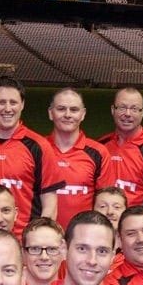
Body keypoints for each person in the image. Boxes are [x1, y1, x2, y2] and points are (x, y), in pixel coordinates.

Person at [0, 76, 57, 237]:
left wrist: (35, 241)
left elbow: (50, 205)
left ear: (22, 105)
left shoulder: (39, 146)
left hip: (22, 243)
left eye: (13, 102)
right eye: (1, 102)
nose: (7, 108)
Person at [97, 88, 143, 229]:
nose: (127, 114)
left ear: (142, 113)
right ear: (113, 110)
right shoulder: (101, 146)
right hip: (101, 228)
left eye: (134, 109)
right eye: (122, 107)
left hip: (134, 230)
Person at [44, 88, 109, 227]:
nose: (67, 115)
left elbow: (105, 202)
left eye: (74, 110)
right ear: (51, 113)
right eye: (61, 109)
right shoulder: (38, 149)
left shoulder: (98, 153)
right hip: (45, 239)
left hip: (84, 238)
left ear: (83, 114)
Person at [20, 216, 65, 285]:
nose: (44, 257)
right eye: (35, 249)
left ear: (64, 252)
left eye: (52, 249)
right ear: (23, 254)